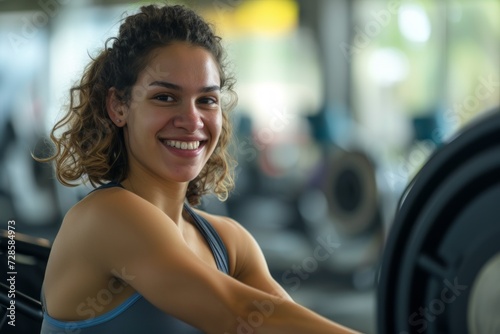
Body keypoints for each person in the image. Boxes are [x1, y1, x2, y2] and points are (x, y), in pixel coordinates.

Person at [38, 3, 360, 334]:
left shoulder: (231, 243)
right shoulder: (105, 217)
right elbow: (240, 314)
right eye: (165, 97)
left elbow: (280, 322)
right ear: (118, 107)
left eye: (206, 100)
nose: (192, 121)